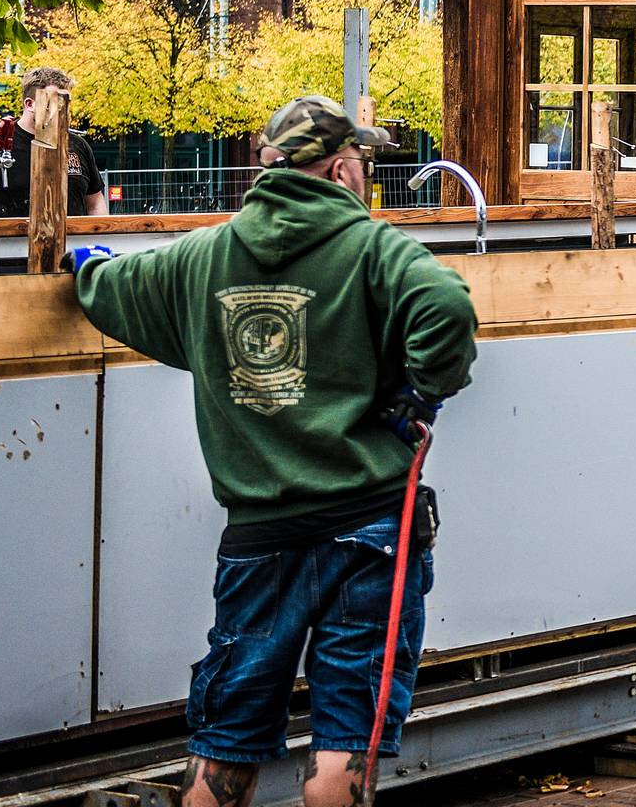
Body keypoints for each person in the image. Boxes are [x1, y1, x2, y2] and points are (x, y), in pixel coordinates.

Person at [73, 96, 476, 807]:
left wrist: (86, 265)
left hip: (261, 535)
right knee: (345, 735)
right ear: (346, 168)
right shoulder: (376, 250)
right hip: (371, 527)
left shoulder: (201, 257)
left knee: (227, 734)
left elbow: (108, 289)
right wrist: (420, 396)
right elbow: (445, 306)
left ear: (270, 166)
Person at [0, 66, 109, 216]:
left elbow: (95, 202)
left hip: (74, 238)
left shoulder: (77, 145)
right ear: (30, 104)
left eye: (66, 102)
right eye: (55, 101)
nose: (62, 108)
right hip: (8, 238)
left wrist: (97, 235)